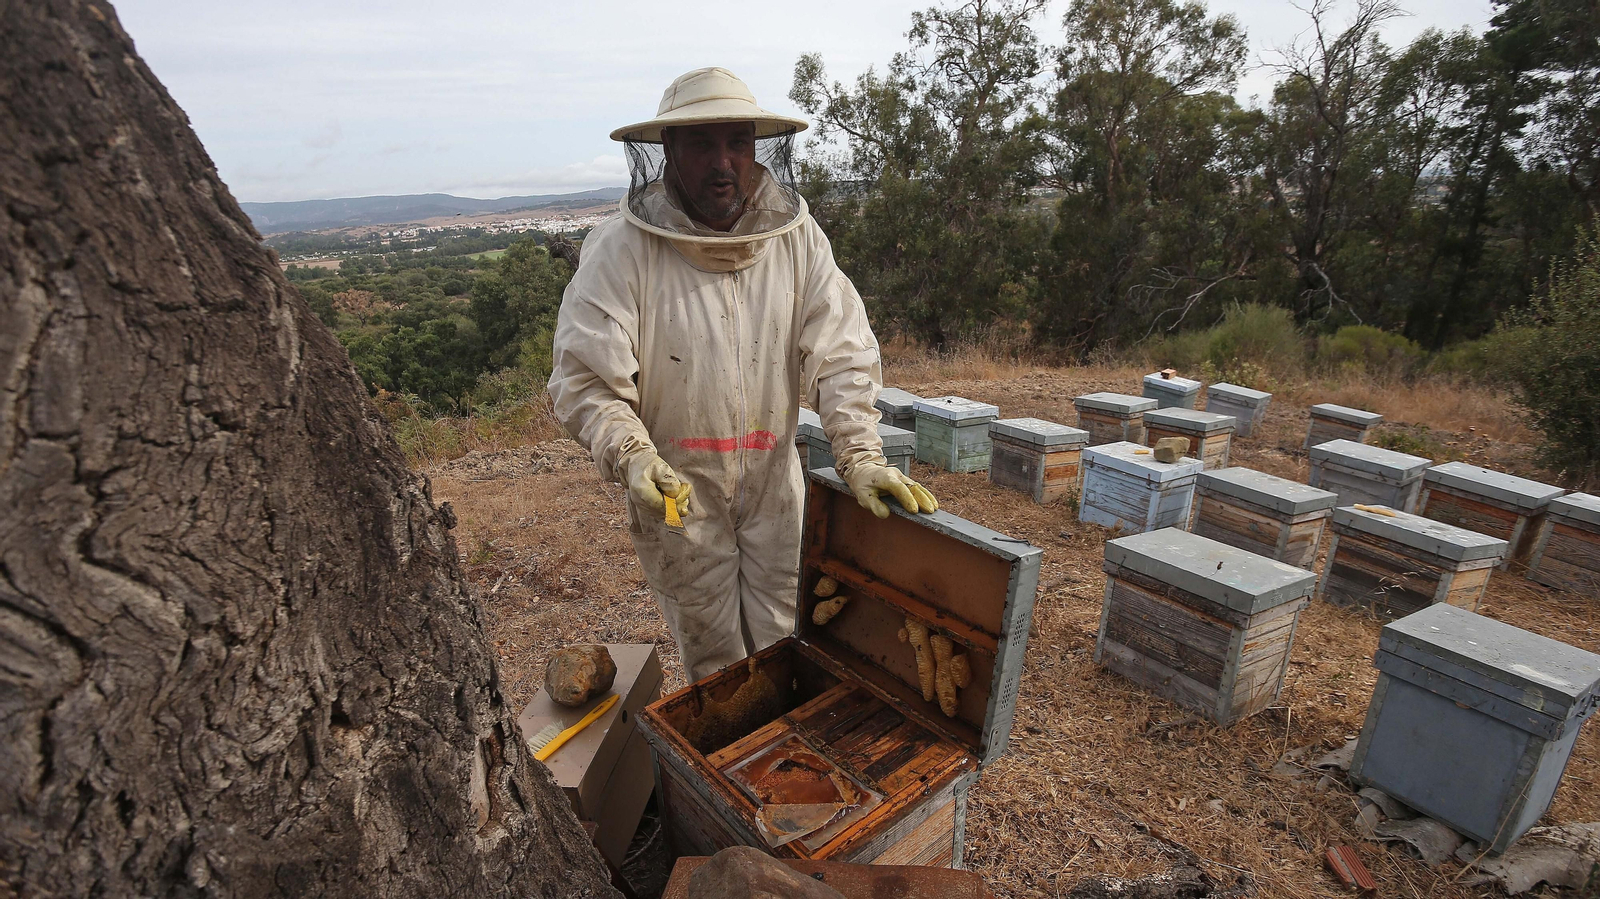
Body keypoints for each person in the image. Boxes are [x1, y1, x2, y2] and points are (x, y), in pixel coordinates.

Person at [549, 67, 938, 681]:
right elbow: (587, 381)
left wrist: (861, 454)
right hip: (680, 492)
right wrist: (631, 454)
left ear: (759, 149)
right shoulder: (621, 251)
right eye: (702, 144)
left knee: (789, 640)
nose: (722, 162)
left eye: (737, 142)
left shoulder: (798, 240)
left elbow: (842, 353)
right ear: (668, 153)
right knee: (717, 662)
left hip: (772, 487)